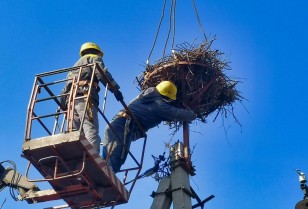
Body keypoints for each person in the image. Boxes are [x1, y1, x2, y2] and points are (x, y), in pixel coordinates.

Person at [102, 81, 197, 173]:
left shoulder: (146, 94)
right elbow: (178, 114)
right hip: (123, 127)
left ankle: (101, 173)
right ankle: (105, 177)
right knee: (118, 157)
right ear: (166, 96)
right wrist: (193, 115)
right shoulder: (160, 106)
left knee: (106, 159)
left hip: (115, 123)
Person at [61, 42, 123, 154]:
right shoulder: (93, 58)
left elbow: (65, 88)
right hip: (85, 97)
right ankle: (93, 156)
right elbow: (101, 73)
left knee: (74, 132)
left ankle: (73, 156)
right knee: (90, 128)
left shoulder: (75, 66)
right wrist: (115, 89)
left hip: (70, 101)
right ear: (97, 52)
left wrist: (63, 106)